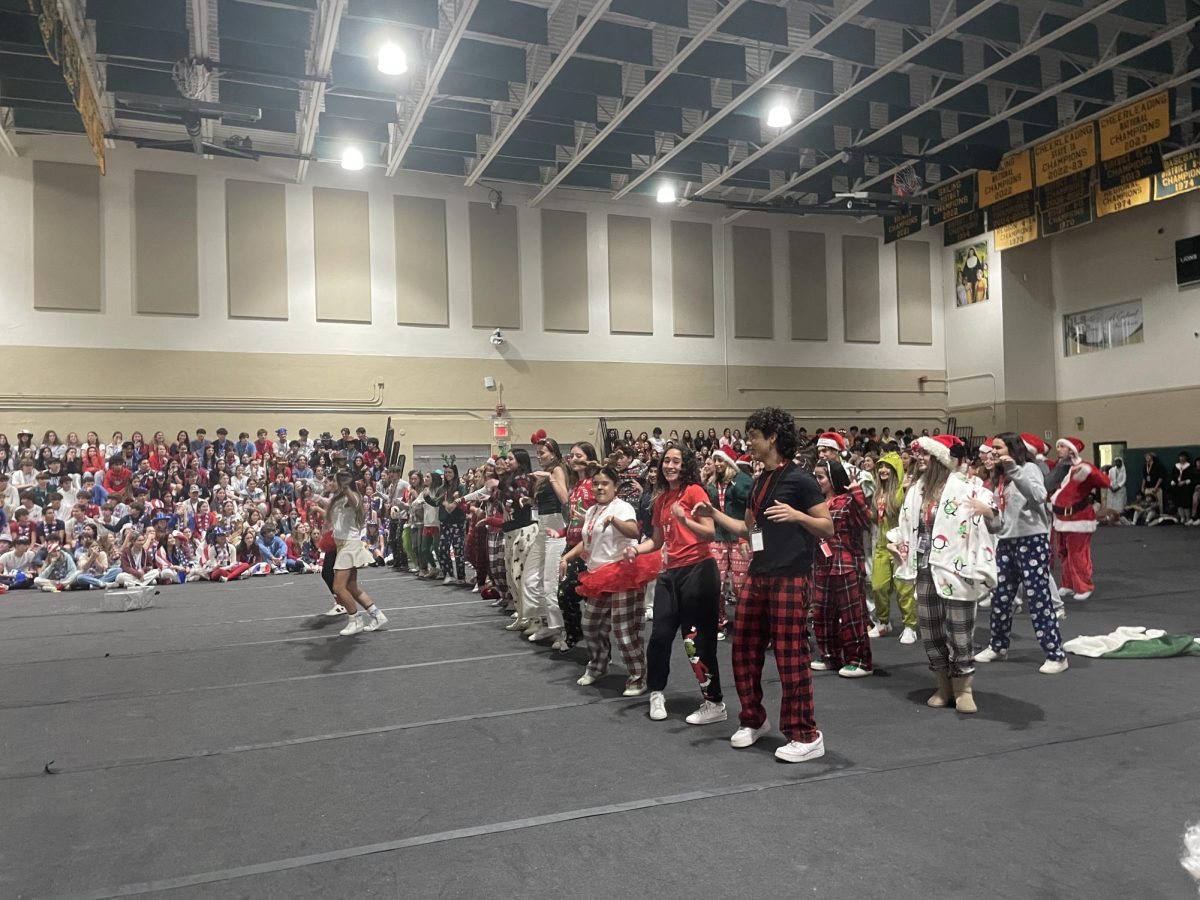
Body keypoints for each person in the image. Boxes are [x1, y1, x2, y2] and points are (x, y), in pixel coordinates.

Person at [697, 407, 833, 762]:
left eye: (754, 436)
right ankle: (753, 719)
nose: (749, 443)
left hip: (790, 575)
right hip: (760, 574)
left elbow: (827, 526)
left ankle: (806, 734)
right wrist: (712, 513)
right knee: (743, 649)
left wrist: (798, 515)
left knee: (791, 657)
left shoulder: (800, 479)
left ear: (772, 437)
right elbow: (750, 529)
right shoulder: (759, 481)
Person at [888, 434, 997, 714]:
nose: (919, 458)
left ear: (940, 458)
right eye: (919, 454)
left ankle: (964, 688)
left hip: (956, 569)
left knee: (960, 631)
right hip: (924, 569)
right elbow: (904, 524)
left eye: (925, 454)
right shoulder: (916, 491)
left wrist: (988, 512)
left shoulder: (967, 487)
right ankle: (943, 685)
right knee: (931, 629)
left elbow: (997, 522)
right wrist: (897, 543)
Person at [625, 444, 724, 723]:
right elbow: (657, 541)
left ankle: (714, 702)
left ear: (685, 465)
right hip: (670, 574)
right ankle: (657, 691)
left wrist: (685, 520)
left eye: (676, 461)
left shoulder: (694, 492)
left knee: (695, 641)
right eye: (666, 460)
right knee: (659, 636)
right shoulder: (660, 500)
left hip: (698, 571)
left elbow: (709, 533)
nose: (670, 465)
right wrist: (636, 549)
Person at [975, 434, 1068, 675]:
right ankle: (998, 646)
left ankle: (1056, 654)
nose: (991, 452)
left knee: (1038, 597)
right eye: (991, 448)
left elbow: (1039, 496)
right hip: (1006, 541)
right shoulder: (999, 478)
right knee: (1001, 598)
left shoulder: (1028, 469)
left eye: (997, 447)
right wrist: (988, 515)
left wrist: (1014, 470)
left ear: (1012, 449)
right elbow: (1001, 516)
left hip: (1032, 540)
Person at [562, 465, 648, 694]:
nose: (599, 487)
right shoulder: (591, 511)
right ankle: (598, 665)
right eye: (596, 484)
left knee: (623, 629)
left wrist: (614, 521)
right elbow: (588, 541)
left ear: (615, 486)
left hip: (622, 572)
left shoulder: (622, 507)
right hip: (598, 574)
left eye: (605, 483)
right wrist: (568, 558)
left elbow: (633, 532)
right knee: (590, 624)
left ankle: (638, 676)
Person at [809, 458, 873, 678]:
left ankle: (859, 659)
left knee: (852, 614)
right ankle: (830, 655)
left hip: (846, 563)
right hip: (822, 564)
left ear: (832, 478)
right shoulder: (817, 504)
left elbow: (866, 520)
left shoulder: (847, 500)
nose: (817, 481)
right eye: (815, 477)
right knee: (822, 613)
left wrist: (856, 491)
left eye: (821, 477)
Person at [327, 469, 387, 636]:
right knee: (351, 586)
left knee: (338, 587)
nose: (330, 483)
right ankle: (378, 616)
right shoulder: (338, 499)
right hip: (343, 545)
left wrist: (345, 487)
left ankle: (355, 620)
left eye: (333, 481)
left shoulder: (352, 497)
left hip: (349, 546)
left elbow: (355, 500)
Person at [524, 435, 570, 644]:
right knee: (530, 578)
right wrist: (530, 500)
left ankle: (561, 630)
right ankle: (546, 622)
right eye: (538, 454)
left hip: (556, 527)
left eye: (542, 453)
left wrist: (548, 477)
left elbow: (565, 498)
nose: (539, 457)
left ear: (553, 453)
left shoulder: (557, 470)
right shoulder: (548, 473)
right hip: (543, 526)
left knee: (550, 583)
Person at [1050, 437, 1109, 601]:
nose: (1059, 449)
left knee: (1077, 552)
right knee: (1064, 552)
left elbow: (1101, 481)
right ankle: (1068, 583)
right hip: (1061, 516)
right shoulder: (1062, 467)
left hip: (1078, 517)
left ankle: (1084, 585)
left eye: (1062, 446)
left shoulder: (1081, 468)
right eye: (1058, 446)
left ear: (1071, 450)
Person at [868, 450, 917, 643]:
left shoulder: (903, 491)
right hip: (881, 546)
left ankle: (909, 626)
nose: (883, 470)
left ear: (896, 470)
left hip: (900, 545)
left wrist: (905, 490)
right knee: (878, 586)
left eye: (888, 467)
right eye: (880, 466)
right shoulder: (878, 491)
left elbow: (902, 509)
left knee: (904, 588)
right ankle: (883, 621)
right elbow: (874, 518)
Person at [557, 442, 599, 651]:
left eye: (579, 455)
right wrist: (561, 532)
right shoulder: (576, 487)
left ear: (589, 458)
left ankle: (596, 647)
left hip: (589, 547)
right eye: (571, 456)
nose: (574, 459)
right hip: (571, 543)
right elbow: (573, 519)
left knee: (586, 596)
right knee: (564, 594)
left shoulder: (596, 484)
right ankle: (574, 633)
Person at [706, 447, 752, 640]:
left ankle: (745, 623)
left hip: (739, 537)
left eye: (721, 460)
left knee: (741, 584)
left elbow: (751, 508)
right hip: (718, 537)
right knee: (716, 582)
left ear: (729, 462)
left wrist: (745, 536)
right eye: (715, 460)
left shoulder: (743, 481)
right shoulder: (711, 482)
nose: (717, 464)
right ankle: (719, 621)